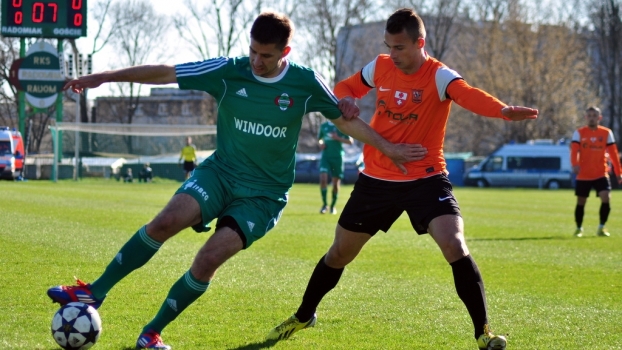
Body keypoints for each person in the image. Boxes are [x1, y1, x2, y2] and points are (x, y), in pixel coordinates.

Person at [46, 12, 426, 350]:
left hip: (264, 196)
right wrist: (104, 77)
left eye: (267, 55)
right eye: (253, 52)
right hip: (220, 173)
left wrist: (388, 148)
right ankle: (95, 291)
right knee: (164, 222)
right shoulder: (229, 70)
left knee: (208, 258)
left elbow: (344, 118)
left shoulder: (304, 83)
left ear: (285, 52)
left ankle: (152, 334)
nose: (257, 62)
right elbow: (166, 72)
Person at [267, 8, 538, 350]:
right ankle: (304, 315)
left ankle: (483, 333)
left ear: (419, 43)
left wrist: (501, 110)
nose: (392, 54)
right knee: (338, 254)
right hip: (377, 179)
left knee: (454, 244)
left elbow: (468, 94)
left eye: (399, 48)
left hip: (426, 178)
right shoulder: (380, 66)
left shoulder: (439, 76)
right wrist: (347, 97)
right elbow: (346, 85)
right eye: (389, 46)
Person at [571, 106, 622, 237]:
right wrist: (575, 164)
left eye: (595, 116)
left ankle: (602, 227)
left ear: (599, 118)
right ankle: (579, 228)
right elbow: (574, 150)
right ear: (586, 118)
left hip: (601, 173)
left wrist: (618, 171)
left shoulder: (606, 133)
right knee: (581, 201)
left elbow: (614, 153)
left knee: (606, 197)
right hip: (583, 174)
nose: (592, 118)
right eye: (589, 115)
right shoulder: (579, 133)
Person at [317, 119, 353, 214]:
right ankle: (325, 205)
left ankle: (333, 206)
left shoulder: (340, 125)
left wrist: (337, 138)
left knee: (335, 184)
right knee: (323, 179)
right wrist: (321, 144)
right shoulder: (324, 125)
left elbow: (350, 141)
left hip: (338, 157)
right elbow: (319, 139)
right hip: (326, 156)